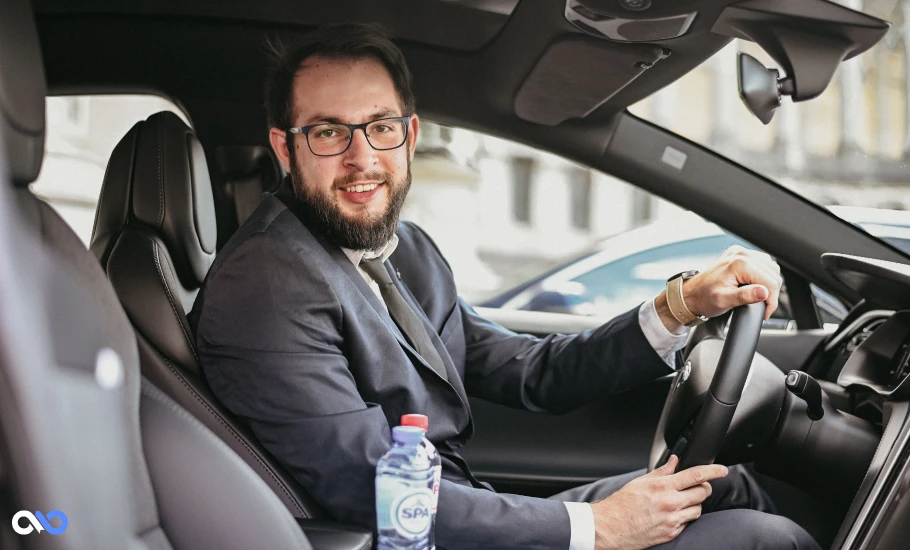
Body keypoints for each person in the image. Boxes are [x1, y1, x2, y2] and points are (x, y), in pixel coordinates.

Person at [188, 23, 820, 550]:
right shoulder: (266, 283)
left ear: (408, 137)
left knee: (726, 485)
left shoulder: (400, 249)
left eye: (381, 127)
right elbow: (368, 487)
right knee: (765, 539)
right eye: (329, 133)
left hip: (464, 512)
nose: (363, 158)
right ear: (285, 147)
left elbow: (525, 370)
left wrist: (678, 306)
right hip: (418, 535)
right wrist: (599, 527)